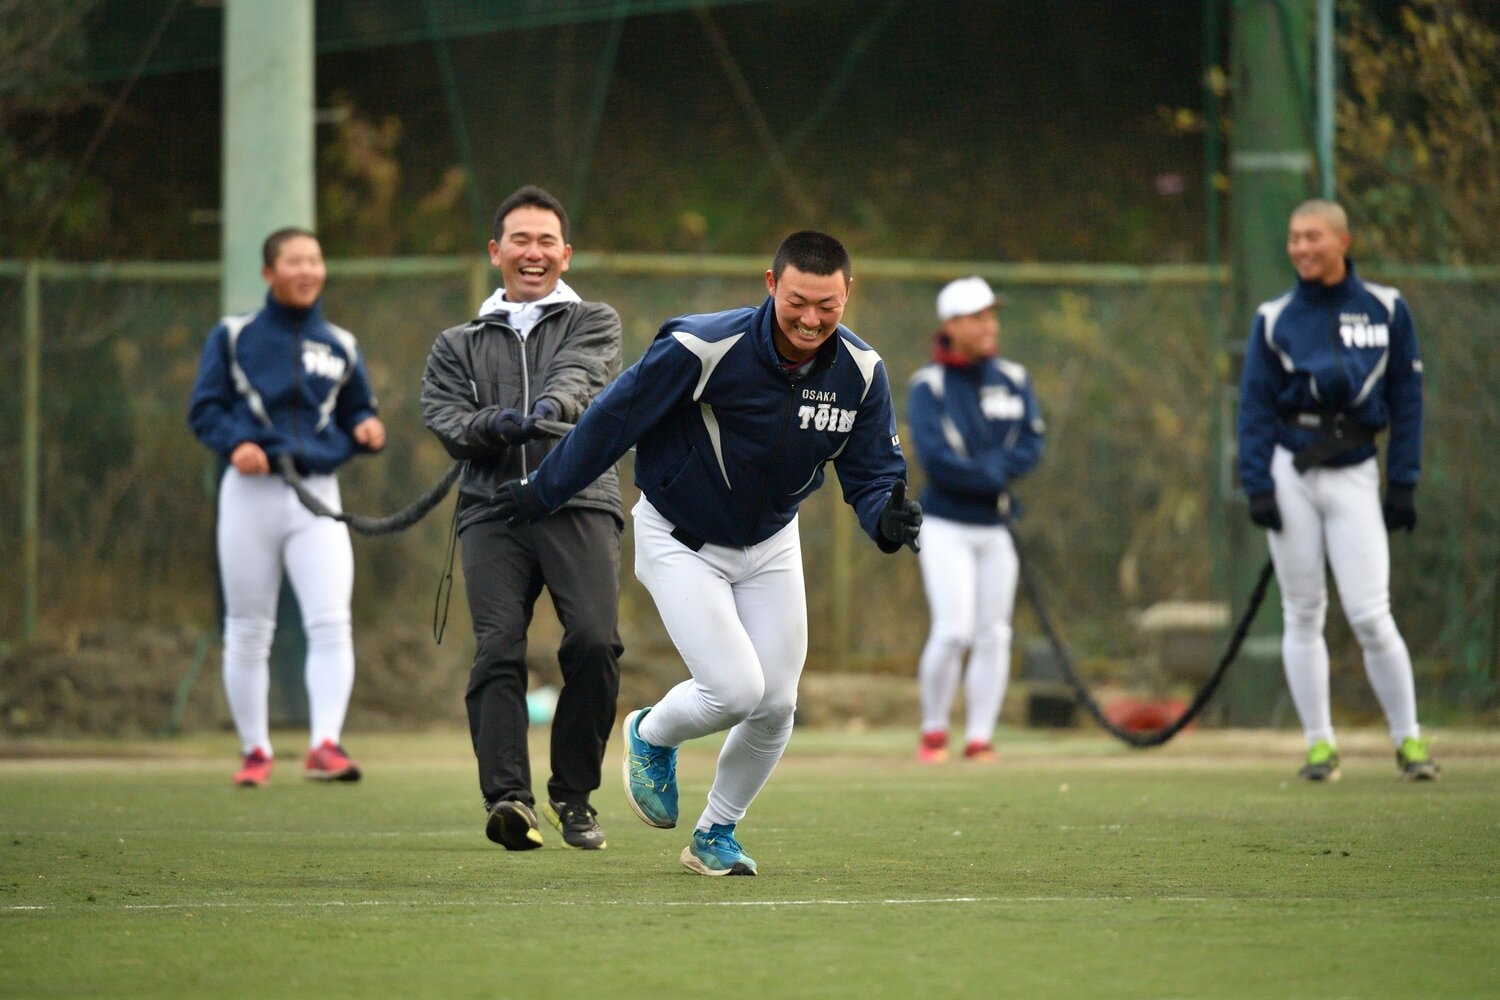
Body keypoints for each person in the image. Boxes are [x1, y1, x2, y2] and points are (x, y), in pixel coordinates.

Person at [492, 231, 922, 876]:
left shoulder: (862, 372)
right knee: (735, 689)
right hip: (680, 537)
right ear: (771, 285)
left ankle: (716, 833)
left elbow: (871, 473)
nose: (811, 319)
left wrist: (886, 515)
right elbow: (614, 420)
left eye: (828, 306)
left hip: (771, 542)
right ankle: (649, 733)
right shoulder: (701, 346)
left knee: (777, 703)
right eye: (798, 301)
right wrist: (544, 490)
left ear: (848, 294)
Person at [420, 185, 624, 851]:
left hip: (579, 500)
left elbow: (580, 379)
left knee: (594, 642)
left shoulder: (596, 320)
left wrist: (548, 414)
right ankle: (510, 800)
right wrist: (495, 425)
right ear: (495, 251)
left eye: (545, 242)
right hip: (490, 510)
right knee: (498, 646)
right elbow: (446, 420)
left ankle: (575, 796)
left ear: (565, 254)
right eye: (519, 241)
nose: (532, 253)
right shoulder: (456, 343)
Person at [1237, 198, 1438, 782]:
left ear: (1343, 242)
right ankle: (1320, 746)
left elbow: (1407, 398)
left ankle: (1410, 742)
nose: (1301, 248)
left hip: (1354, 470)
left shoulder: (1387, 308)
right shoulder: (1273, 318)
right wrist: (1256, 484)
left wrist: (1402, 480)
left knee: (1371, 614)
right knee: (1301, 611)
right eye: (1294, 237)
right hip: (1290, 469)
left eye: (1313, 237)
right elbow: (1253, 405)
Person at [188, 227, 386, 787]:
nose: (307, 271)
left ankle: (326, 744)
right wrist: (237, 444)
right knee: (248, 628)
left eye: (315, 260)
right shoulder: (233, 336)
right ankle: (255, 750)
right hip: (249, 492)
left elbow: (358, 412)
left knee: (331, 622)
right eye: (294, 261)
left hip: (318, 496)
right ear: (269, 272)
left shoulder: (341, 344)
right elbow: (205, 409)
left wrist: (367, 428)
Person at [905, 277, 1044, 764]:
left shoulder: (1013, 377)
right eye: (978, 317)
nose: (990, 326)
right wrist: (992, 476)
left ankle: (980, 738)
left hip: (997, 527)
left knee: (994, 633)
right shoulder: (929, 385)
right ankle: (934, 731)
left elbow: (1031, 444)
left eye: (992, 315)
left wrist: (993, 474)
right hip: (945, 523)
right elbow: (936, 459)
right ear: (952, 325)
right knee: (953, 630)